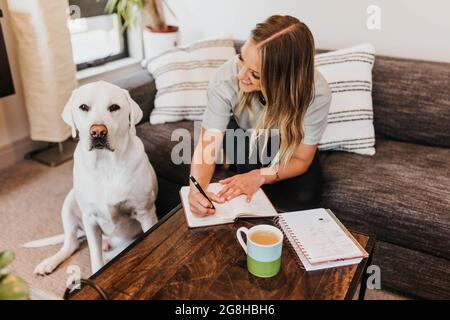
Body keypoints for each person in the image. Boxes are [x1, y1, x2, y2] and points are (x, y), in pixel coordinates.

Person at [189, 15, 332, 216]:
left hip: (289, 142)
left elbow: (301, 158)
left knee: (304, 198)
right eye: (241, 59)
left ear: (284, 79)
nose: (240, 76)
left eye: (255, 74)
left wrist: (260, 175)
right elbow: (207, 145)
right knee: (247, 189)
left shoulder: (316, 93)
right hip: (244, 131)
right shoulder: (225, 79)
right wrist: (197, 188)